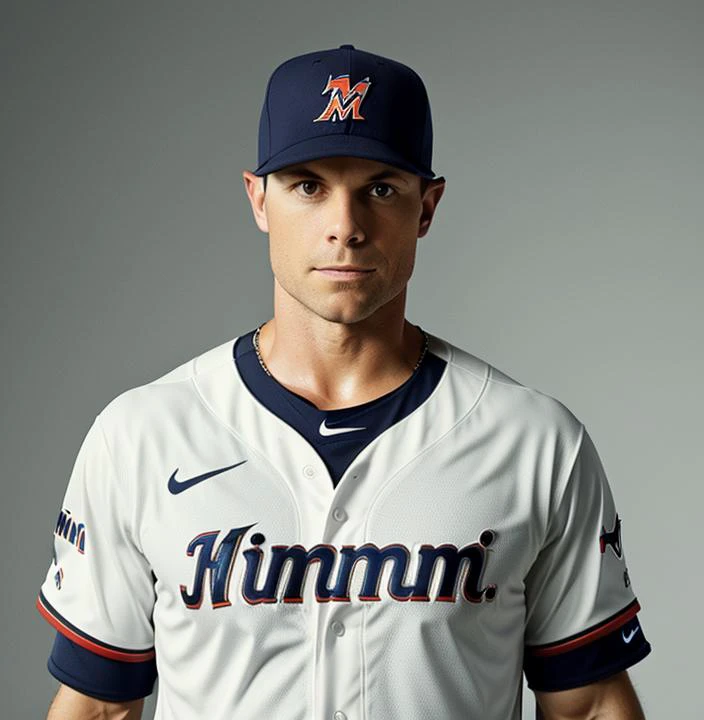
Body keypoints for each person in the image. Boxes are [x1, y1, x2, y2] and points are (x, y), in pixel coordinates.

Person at [37, 44, 652, 720]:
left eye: (380, 189)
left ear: (427, 206)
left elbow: (590, 704)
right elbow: (98, 708)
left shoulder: (534, 442)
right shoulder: (142, 437)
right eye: (308, 185)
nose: (345, 228)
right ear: (258, 199)